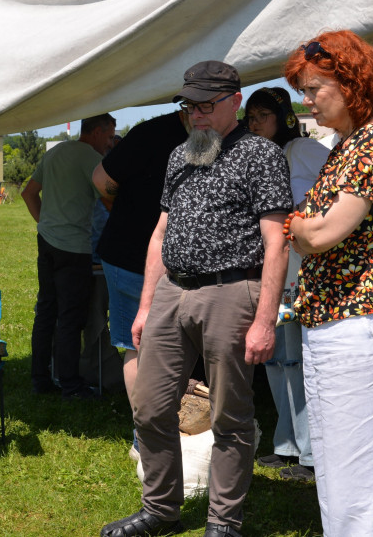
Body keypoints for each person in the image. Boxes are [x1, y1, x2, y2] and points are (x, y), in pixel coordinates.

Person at [102, 61, 291, 537]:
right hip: (171, 291)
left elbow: (277, 242)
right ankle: (160, 510)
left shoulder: (261, 156)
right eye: (190, 105)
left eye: (207, 105)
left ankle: (224, 522)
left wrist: (265, 319)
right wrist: (146, 306)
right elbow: (160, 231)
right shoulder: (179, 155)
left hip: (231, 291)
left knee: (230, 414)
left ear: (236, 102)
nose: (197, 115)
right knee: (149, 406)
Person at [282, 31, 373, 536]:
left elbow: (323, 232)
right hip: (335, 322)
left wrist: (291, 226)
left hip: (365, 325)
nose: (307, 100)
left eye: (314, 88)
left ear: (350, 82)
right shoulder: (347, 145)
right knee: (339, 474)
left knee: (364, 482)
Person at [245, 87, 329, 483]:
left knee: (299, 361)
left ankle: (312, 455)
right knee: (277, 360)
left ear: (283, 116)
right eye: (251, 116)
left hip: (304, 270)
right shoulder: (256, 157)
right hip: (269, 271)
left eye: (263, 115)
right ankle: (287, 445)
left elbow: (335, 195)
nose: (256, 123)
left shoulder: (303, 151)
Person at [91, 111, 189, 414]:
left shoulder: (161, 131)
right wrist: (127, 210)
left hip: (167, 259)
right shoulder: (153, 132)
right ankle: (147, 434)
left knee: (160, 345)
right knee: (140, 343)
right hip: (131, 255)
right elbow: (100, 179)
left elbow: (102, 180)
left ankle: (158, 431)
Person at [21, 114, 117, 399]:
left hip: (47, 242)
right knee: (71, 318)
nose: (111, 143)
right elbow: (110, 202)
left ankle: (40, 379)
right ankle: (71, 384)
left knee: (46, 312)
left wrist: (45, 224)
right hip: (74, 248)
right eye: (110, 136)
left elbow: (28, 194)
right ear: (97, 133)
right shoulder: (91, 159)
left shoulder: (56, 152)